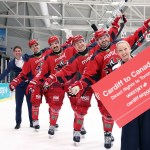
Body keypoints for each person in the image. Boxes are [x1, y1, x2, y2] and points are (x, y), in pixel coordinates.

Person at [68, 18, 150, 149]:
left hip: (139, 92)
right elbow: (88, 76)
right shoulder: (95, 58)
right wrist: (79, 85)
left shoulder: (119, 44)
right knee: (127, 126)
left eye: (105, 36)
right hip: (121, 94)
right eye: (100, 39)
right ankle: (110, 135)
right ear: (97, 41)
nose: (104, 39)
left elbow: (136, 36)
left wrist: (146, 26)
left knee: (147, 127)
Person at [27, 35, 78, 136]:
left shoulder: (69, 50)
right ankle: (52, 125)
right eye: (52, 44)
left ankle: (80, 125)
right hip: (56, 85)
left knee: (77, 106)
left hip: (71, 83)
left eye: (56, 43)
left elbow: (81, 57)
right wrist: (34, 82)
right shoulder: (48, 57)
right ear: (50, 46)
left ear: (59, 42)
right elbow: (43, 73)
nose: (55, 45)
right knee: (54, 107)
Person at [9, 40, 52, 130]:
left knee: (52, 104)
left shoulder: (46, 52)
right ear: (30, 49)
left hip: (45, 83)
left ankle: (49, 122)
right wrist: (14, 82)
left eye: (36, 45)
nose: (35, 47)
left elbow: (58, 50)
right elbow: (22, 73)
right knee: (24, 105)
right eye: (33, 46)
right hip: (30, 85)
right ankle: (19, 122)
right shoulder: (28, 60)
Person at [115, 40, 150, 150]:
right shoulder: (115, 69)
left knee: (147, 134)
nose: (124, 52)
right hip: (129, 108)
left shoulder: (143, 62)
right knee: (130, 137)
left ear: (130, 48)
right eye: (120, 51)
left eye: (125, 49)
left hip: (145, 105)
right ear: (117, 53)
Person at [0, 46, 32, 129]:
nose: (18, 52)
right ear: (14, 53)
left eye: (19, 51)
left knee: (30, 104)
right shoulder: (11, 63)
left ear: (21, 52)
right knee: (18, 105)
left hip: (29, 84)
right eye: (16, 51)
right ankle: (18, 122)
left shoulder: (26, 57)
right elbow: (5, 72)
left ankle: (32, 122)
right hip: (19, 86)